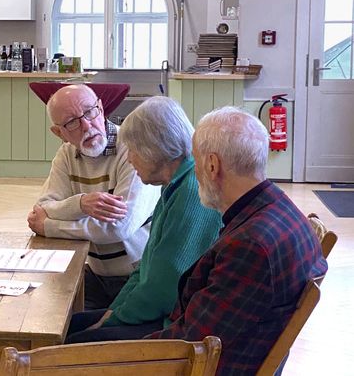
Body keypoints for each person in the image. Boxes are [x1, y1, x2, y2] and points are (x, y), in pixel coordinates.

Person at [147, 107, 328, 375]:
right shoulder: (281, 207)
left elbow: (189, 344)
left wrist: (120, 352)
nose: (195, 172)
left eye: (195, 162)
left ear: (211, 165)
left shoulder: (252, 246)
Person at [65, 96, 220, 343]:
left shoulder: (193, 191)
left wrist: (113, 320)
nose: (129, 159)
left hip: (177, 325)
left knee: (72, 343)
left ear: (155, 148)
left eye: (133, 151)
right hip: (162, 311)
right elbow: (145, 269)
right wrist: (113, 312)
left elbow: (163, 289)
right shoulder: (174, 184)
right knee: (67, 326)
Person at [28, 84, 160, 310]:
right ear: (59, 133)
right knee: (48, 315)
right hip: (94, 272)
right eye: (72, 122)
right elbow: (43, 207)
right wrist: (81, 204)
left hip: (138, 276)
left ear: (101, 107)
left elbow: (120, 227)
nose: (86, 125)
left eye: (90, 112)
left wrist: (49, 226)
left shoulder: (132, 149)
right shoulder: (66, 155)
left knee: (93, 336)